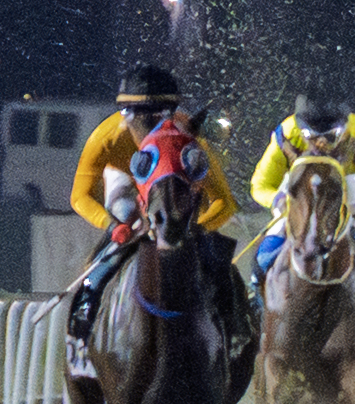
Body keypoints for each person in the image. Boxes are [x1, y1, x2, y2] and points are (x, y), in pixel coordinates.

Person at [61, 66, 251, 364]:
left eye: (157, 114)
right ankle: (84, 318)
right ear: (123, 113)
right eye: (134, 113)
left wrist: (196, 227)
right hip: (127, 183)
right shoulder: (106, 137)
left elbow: (223, 202)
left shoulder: (188, 138)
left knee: (208, 248)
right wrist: (114, 227)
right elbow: (79, 196)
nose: (145, 123)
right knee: (123, 217)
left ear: (173, 113)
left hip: (172, 189)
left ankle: (235, 325)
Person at [247, 90, 355, 325]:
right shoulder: (286, 133)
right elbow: (260, 183)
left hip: (346, 188)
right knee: (269, 245)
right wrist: (277, 200)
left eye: (331, 136)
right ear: (300, 128)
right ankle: (254, 295)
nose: (321, 143)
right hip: (300, 192)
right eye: (311, 136)